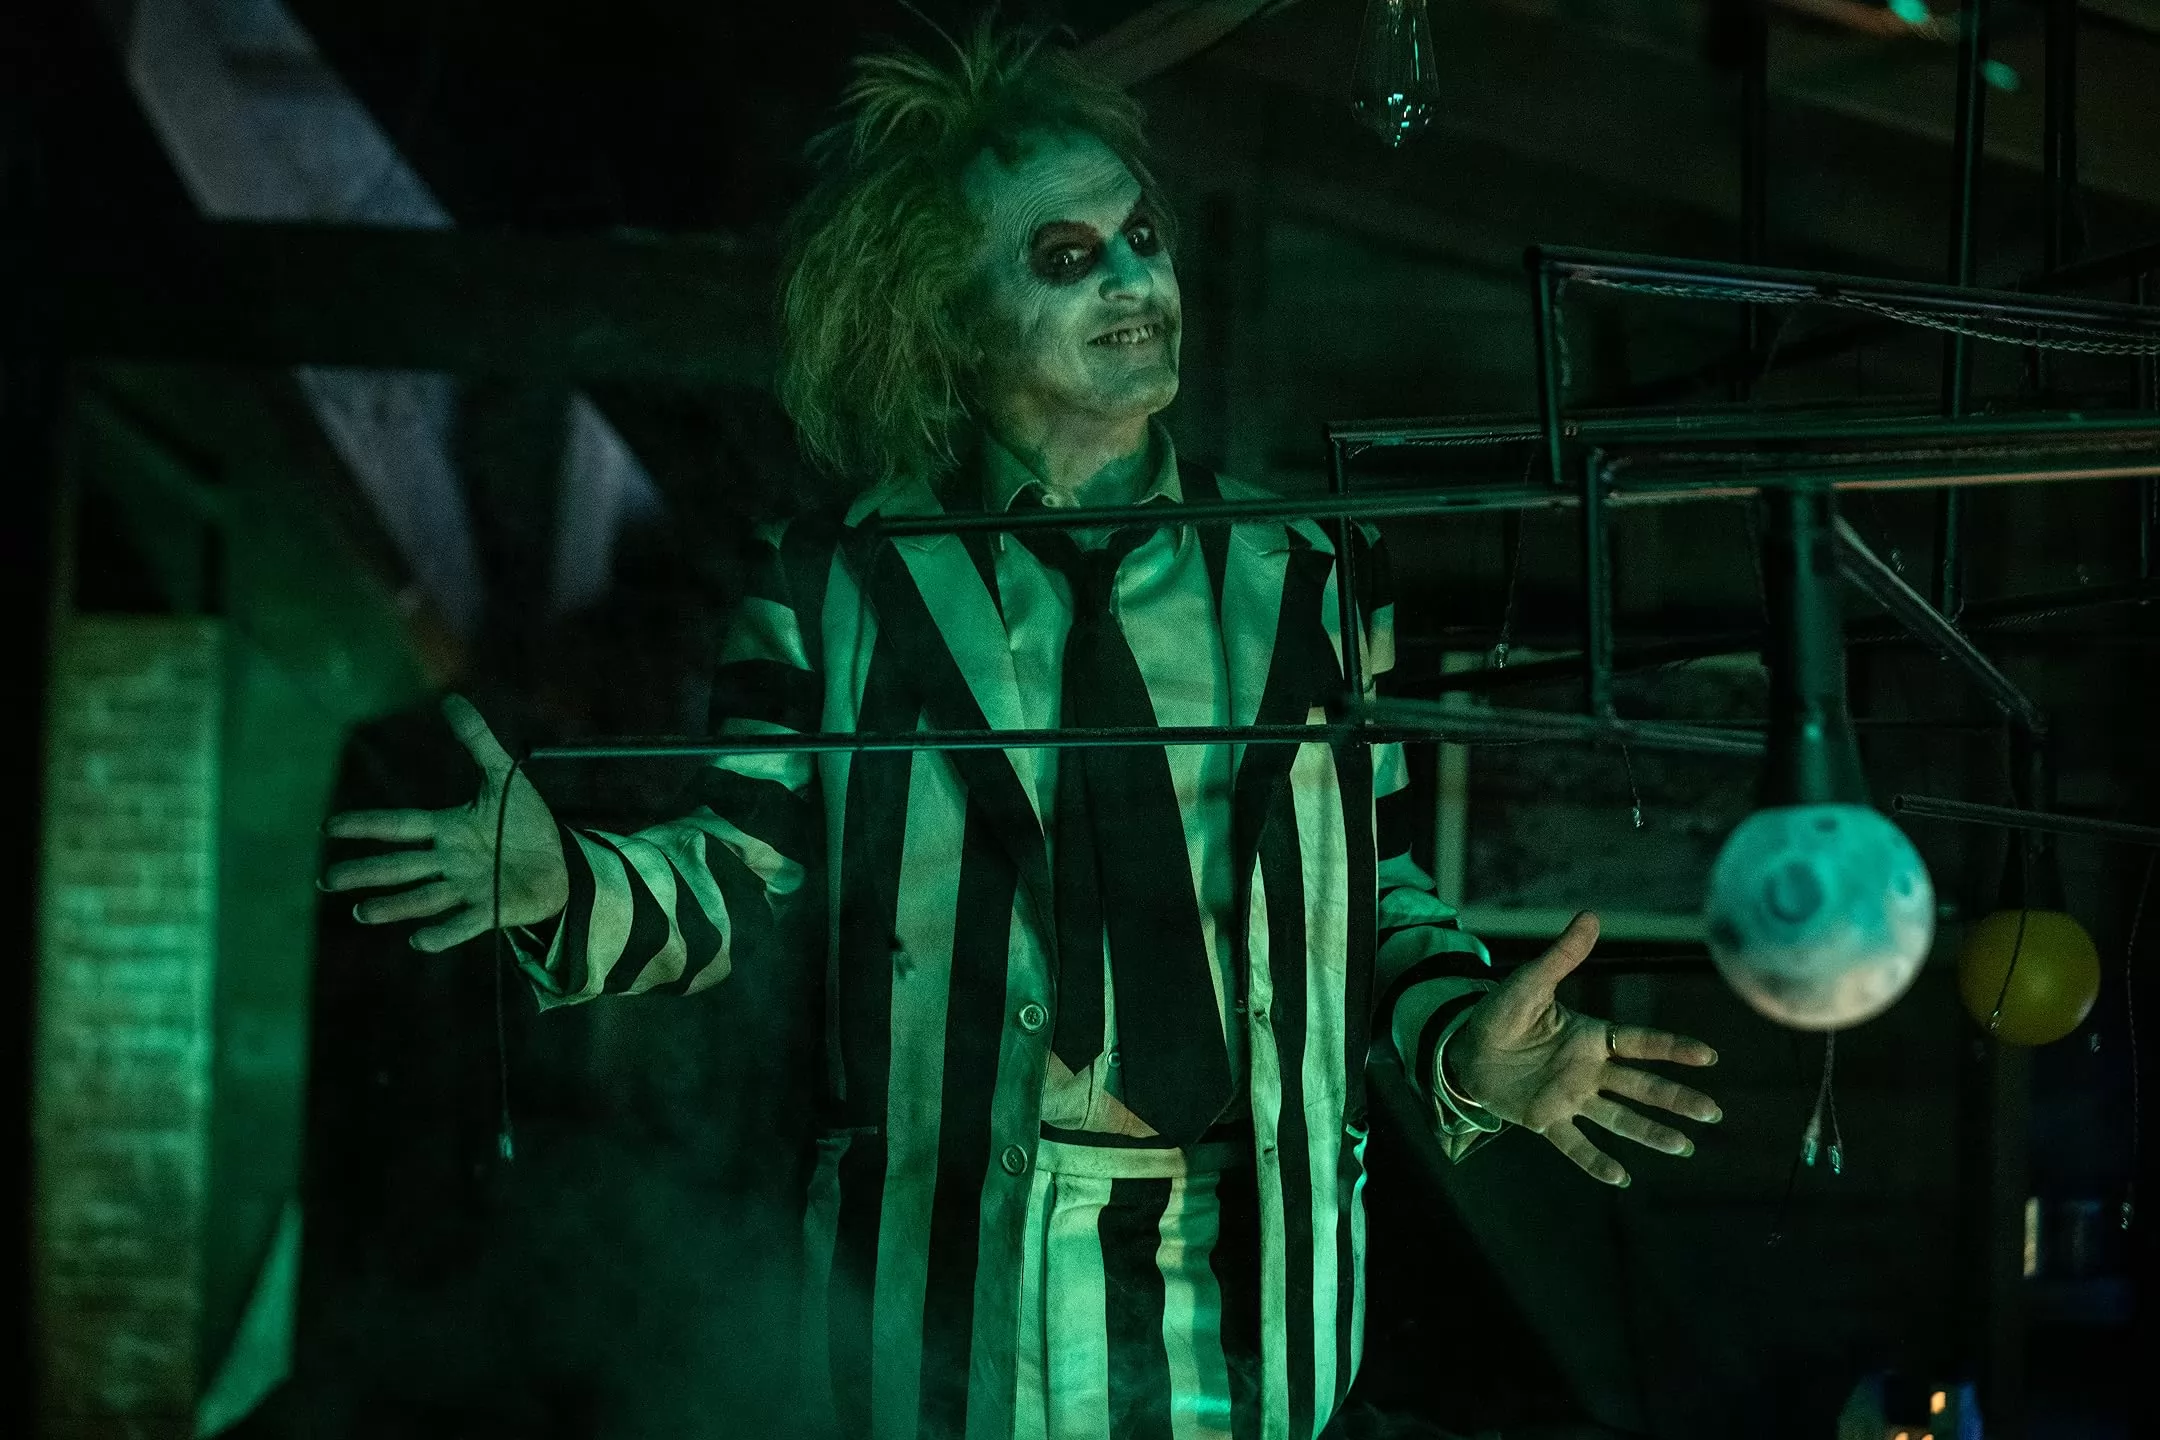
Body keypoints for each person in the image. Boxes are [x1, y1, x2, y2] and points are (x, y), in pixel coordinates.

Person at [321, 23, 1721, 1440]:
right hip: (956, 1288)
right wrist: (569, 888)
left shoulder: (1313, 568)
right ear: (948, 316)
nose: (1136, 280)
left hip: (1260, 1271)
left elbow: (1379, 895)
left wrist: (1462, 1047)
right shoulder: (835, 585)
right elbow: (741, 872)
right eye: (1069, 256)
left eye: (1144, 238)